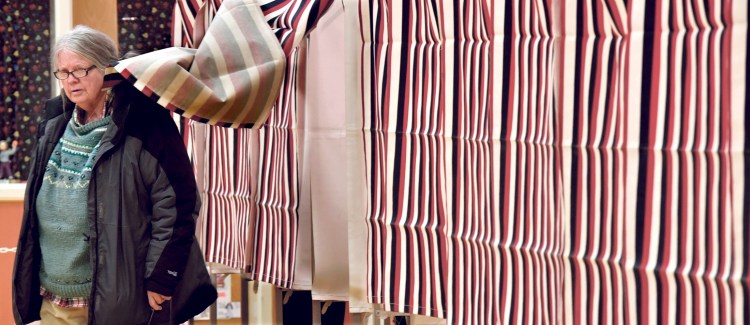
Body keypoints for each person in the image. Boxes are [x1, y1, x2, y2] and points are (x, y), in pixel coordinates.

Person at [12, 25, 216, 324]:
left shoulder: (143, 122)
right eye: (63, 72)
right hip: (54, 299)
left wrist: (162, 277)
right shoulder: (54, 122)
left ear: (107, 69)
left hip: (119, 300)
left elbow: (177, 203)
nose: (70, 80)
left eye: (80, 70)